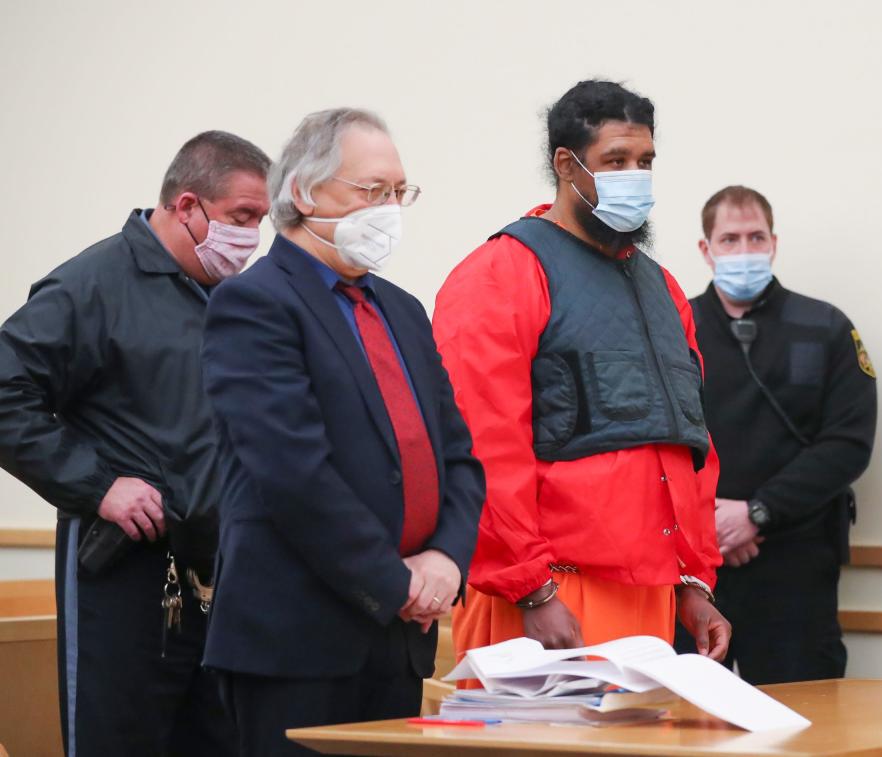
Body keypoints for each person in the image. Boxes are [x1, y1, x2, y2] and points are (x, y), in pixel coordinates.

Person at [200, 108, 485, 756]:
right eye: (372, 191)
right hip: (298, 641)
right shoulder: (254, 302)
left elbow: (458, 457)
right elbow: (292, 472)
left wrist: (445, 559)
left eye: (398, 193)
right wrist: (396, 581)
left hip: (396, 640)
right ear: (303, 192)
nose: (389, 209)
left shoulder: (402, 309)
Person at [432, 80, 730, 667]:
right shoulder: (501, 274)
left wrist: (692, 584)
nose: (635, 176)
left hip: (649, 601)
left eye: (645, 161)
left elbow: (689, 447)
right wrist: (531, 587)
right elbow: (481, 442)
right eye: (615, 161)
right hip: (544, 599)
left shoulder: (663, 289)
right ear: (566, 165)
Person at [0, 130, 271, 755]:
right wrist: (98, 485)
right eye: (241, 217)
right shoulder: (92, 286)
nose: (253, 237)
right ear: (185, 206)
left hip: (221, 577)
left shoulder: (233, 297)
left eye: (261, 219)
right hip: (124, 572)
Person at [675, 185, 878, 683]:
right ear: (706, 250)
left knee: (803, 716)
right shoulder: (674, 331)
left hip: (795, 561)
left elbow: (848, 442)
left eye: (755, 237)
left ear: (773, 243)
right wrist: (711, 523)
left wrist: (757, 513)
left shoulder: (824, 327)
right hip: (693, 568)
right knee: (682, 720)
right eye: (729, 239)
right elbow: (648, 442)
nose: (744, 251)